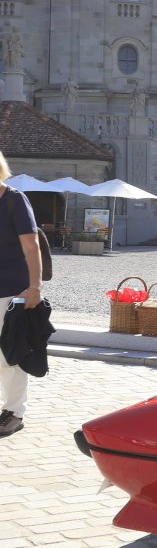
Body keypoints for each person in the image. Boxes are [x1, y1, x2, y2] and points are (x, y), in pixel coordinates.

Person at [0, 150, 44, 437]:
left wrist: (35, 287)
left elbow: (32, 246)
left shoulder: (14, 200)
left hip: (10, 291)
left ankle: (14, 412)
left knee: (9, 354)